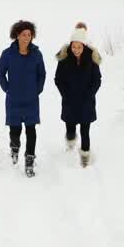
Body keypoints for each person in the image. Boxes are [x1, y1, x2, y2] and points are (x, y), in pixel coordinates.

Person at [0, 19, 47, 177]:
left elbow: (42, 74)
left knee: (31, 131)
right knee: (15, 129)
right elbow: (0, 73)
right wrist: (7, 88)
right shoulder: (8, 54)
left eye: (29, 35)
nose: (27, 38)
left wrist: (37, 90)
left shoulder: (36, 54)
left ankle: (29, 161)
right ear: (17, 35)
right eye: (24, 34)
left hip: (31, 99)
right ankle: (14, 148)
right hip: (14, 99)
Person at [53, 22, 102, 168]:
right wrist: (65, 94)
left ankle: (85, 156)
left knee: (85, 130)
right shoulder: (64, 59)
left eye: (79, 47)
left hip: (87, 101)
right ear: (70, 46)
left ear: (84, 46)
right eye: (73, 46)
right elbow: (58, 79)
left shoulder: (92, 60)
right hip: (69, 101)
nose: (76, 50)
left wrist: (90, 94)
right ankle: (70, 141)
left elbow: (97, 80)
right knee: (70, 129)